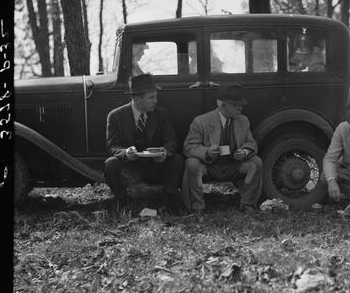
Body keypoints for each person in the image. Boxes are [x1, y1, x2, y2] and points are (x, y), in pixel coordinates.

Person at [181, 83, 263, 221]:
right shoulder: (201, 121)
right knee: (192, 163)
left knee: (256, 162)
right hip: (209, 166)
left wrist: (244, 151)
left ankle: (248, 205)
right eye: (235, 105)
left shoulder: (243, 120)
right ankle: (197, 208)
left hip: (233, 166)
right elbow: (188, 147)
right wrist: (207, 152)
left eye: (241, 104)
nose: (240, 108)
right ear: (222, 104)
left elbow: (251, 143)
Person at [103, 73, 184, 212]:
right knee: (110, 163)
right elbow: (112, 146)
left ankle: (168, 202)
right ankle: (123, 201)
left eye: (155, 96)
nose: (156, 101)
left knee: (177, 160)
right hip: (130, 168)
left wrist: (164, 152)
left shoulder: (162, 114)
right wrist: (126, 153)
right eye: (151, 97)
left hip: (156, 166)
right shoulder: (115, 116)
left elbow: (171, 141)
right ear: (138, 99)